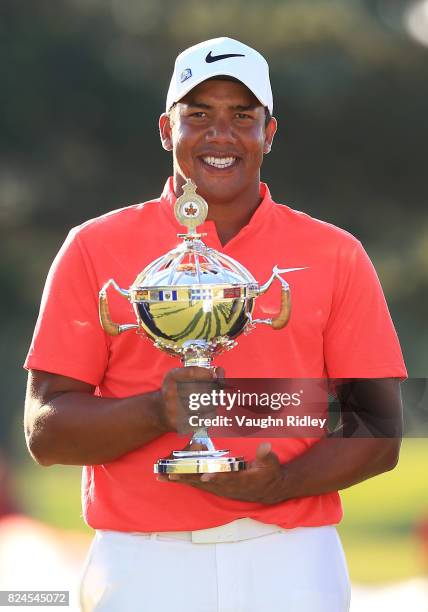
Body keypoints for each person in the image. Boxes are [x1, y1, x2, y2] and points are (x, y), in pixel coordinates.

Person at [24, 37, 406, 611]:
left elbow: (381, 430)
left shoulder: (336, 253)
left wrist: (279, 485)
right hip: (141, 560)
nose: (220, 134)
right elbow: (46, 432)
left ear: (268, 134)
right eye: (198, 114)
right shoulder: (93, 247)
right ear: (165, 129)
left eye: (242, 116)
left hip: (291, 557)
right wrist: (156, 411)